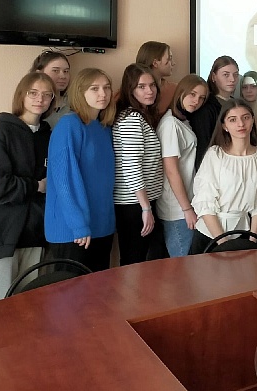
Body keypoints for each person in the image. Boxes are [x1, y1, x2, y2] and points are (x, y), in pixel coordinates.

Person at [0, 72, 56, 303]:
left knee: (30, 307)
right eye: (33, 93)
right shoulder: (2, 130)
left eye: (47, 95)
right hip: (3, 236)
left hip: (36, 235)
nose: (40, 99)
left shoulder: (48, 136)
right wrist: (35, 186)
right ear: (22, 95)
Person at [45, 68, 116, 272]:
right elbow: (64, 180)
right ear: (80, 92)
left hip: (102, 226)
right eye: (94, 88)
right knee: (71, 291)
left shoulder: (103, 128)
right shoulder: (69, 125)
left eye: (106, 88)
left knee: (100, 289)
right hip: (72, 231)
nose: (103, 94)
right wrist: (79, 224)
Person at [189, 99, 257, 253]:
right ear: (224, 126)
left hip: (243, 233)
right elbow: (205, 202)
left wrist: (252, 240)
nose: (241, 124)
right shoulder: (215, 155)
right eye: (233, 120)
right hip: (211, 235)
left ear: (253, 120)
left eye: (245, 117)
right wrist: (224, 244)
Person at [113, 64, 163, 266]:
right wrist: (145, 208)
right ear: (130, 90)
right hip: (134, 204)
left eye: (152, 85)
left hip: (139, 203)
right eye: (141, 87)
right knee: (134, 262)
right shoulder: (131, 119)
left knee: (139, 261)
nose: (149, 91)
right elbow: (131, 167)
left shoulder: (140, 115)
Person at [156, 74, 208, 257]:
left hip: (185, 203)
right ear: (181, 92)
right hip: (176, 208)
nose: (196, 101)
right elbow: (171, 170)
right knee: (183, 263)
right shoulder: (170, 124)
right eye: (192, 94)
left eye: (201, 98)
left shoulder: (182, 121)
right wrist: (186, 209)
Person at [188, 56, 239, 168]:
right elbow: (204, 147)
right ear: (213, 77)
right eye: (226, 75)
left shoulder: (236, 104)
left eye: (235, 74)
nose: (232, 79)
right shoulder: (205, 108)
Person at [31, 50, 71, 128]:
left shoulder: (74, 104)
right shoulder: (32, 104)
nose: (63, 76)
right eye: (55, 71)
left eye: (66, 71)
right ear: (39, 73)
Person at [136, 41, 176, 120]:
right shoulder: (126, 93)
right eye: (169, 59)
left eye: (153, 85)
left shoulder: (174, 90)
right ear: (155, 63)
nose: (173, 63)